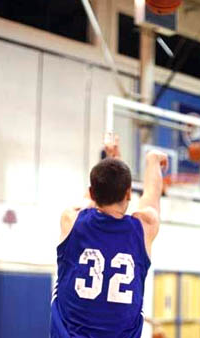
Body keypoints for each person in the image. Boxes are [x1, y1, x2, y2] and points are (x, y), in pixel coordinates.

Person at [51, 134, 168, 338]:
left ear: (93, 192)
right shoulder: (143, 228)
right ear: (129, 193)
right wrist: (153, 160)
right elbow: (151, 196)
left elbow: (91, 200)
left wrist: (110, 161)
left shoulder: (71, 220)